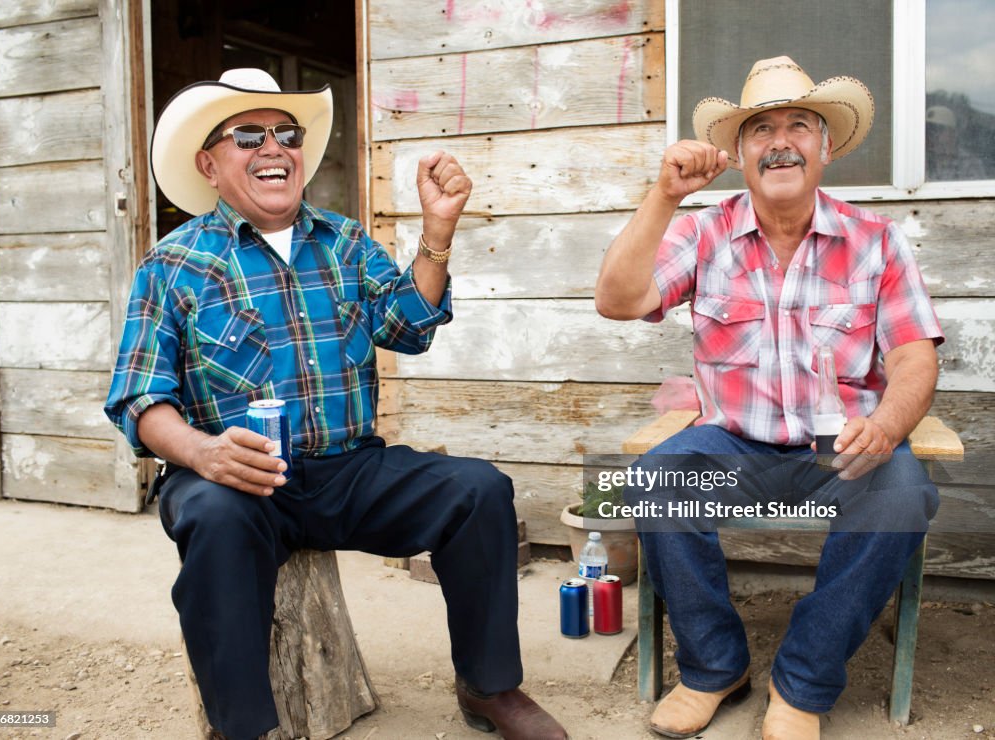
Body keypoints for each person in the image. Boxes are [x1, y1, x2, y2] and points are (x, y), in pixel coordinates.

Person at [104, 68, 567, 740]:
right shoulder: (172, 265)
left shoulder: (344, 241)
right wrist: (203, 453)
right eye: (248, 135)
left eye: (285, 133)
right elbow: (137, 398)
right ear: (209, 164)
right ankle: (245, 729)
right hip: (240, 478)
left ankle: (489, 685)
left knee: (478, 491)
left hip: (349, 470)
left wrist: (437, 232)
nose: (273, 147)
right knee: (213, 518)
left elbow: (408, 327)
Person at [595, 56, 944, 740]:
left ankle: (804, 685)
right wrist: (663, 196)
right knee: (654, 481)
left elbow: (913, 357)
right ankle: (713, 668)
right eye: (761, 129)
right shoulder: (703, 232)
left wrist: (886, 424)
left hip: (842, 447)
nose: (780, 140)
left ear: (826, 146)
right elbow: (618, 299)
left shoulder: (877, 242)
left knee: (905, 494)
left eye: (799, 125)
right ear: (740, 152)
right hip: (734, 444)